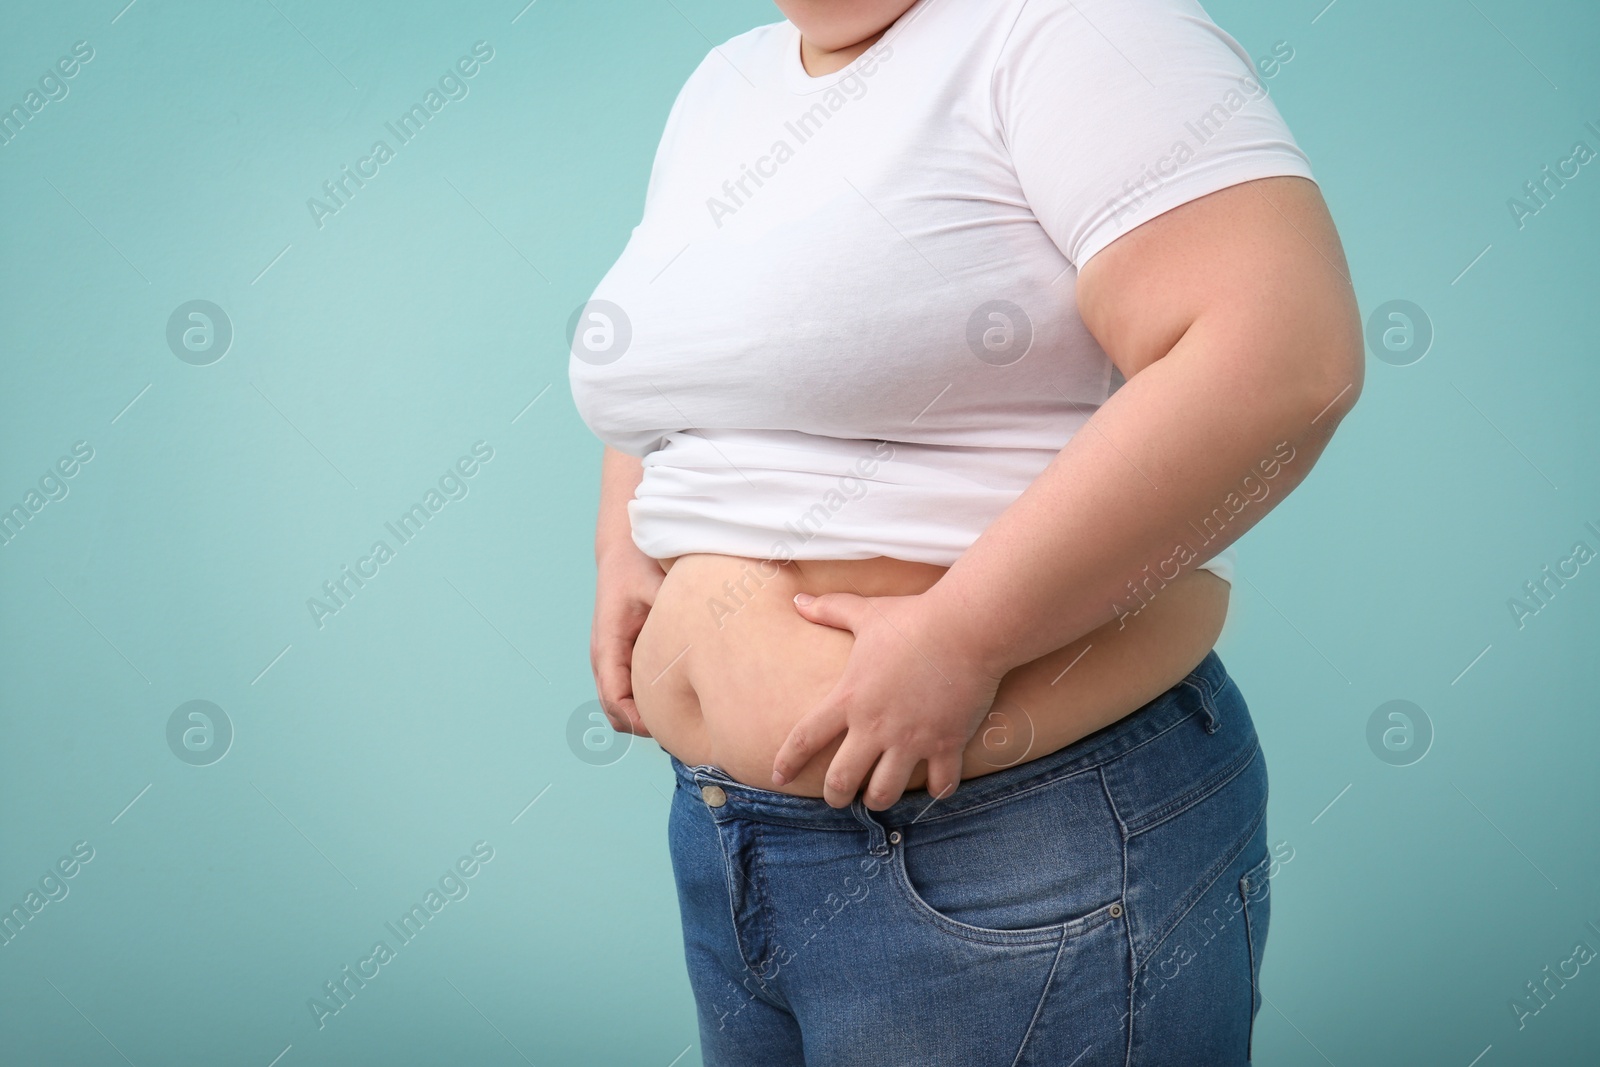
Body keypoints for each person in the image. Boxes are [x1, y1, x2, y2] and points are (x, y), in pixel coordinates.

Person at [569, 0, 1362, 1062]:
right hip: (728, 834)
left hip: (1009, 838)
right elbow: (684, 358)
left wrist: (964, 635)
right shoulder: (726, 81)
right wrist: (624, 541)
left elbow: (1282, 359)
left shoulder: (1067, 31)